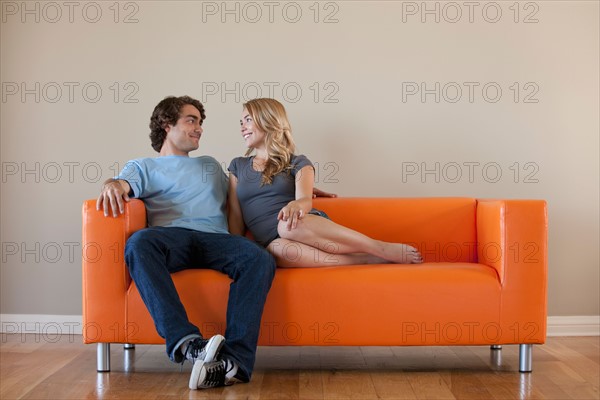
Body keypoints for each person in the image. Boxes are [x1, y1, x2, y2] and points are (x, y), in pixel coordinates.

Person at [96, 95, 276, 390]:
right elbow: (121, 183)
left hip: (217, 240)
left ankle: (234, 363)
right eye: (191, 120)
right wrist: (111, 184)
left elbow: (251, 188)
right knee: (140, 243)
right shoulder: (144, 167)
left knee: (259, 256)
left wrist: (298, 186)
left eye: (201, 122)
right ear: (167, 124)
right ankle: (187, 344)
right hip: (171, 239)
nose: (199, 128)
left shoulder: (210, 166)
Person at [227, 98, 424, 267]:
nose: (242, 127)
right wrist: (236, 246)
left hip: (301, 227)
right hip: (274, 241)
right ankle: (365, 259)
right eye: (240, 122)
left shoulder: (298, 162)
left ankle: (379, 247)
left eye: (248, 120)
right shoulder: (238, 166)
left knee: (286, 227)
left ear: (268, 120)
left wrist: (296, 204)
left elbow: (305, 201)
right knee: (277, 249)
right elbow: (235, 214)